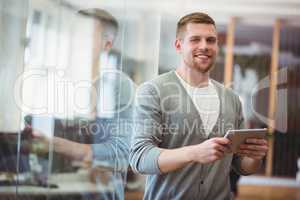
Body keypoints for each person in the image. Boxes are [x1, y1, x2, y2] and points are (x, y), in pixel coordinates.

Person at [129, 12, 268, 200]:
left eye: (211, 40)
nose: (204, 46)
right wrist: (194, 153)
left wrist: (255, 157)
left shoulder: (231, 98)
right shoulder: (152, 91)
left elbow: (240, 165)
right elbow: (140, 158)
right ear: (179, 45)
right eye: (195, 39)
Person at [25, 8, 135, 200]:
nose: (75, 41)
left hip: (97, 193)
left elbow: (123, 150)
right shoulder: (58, 82)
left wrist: (57, 145)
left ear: (106, 44)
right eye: (73, 32)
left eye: (85, 35)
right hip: (54, 189)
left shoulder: (118, 86)